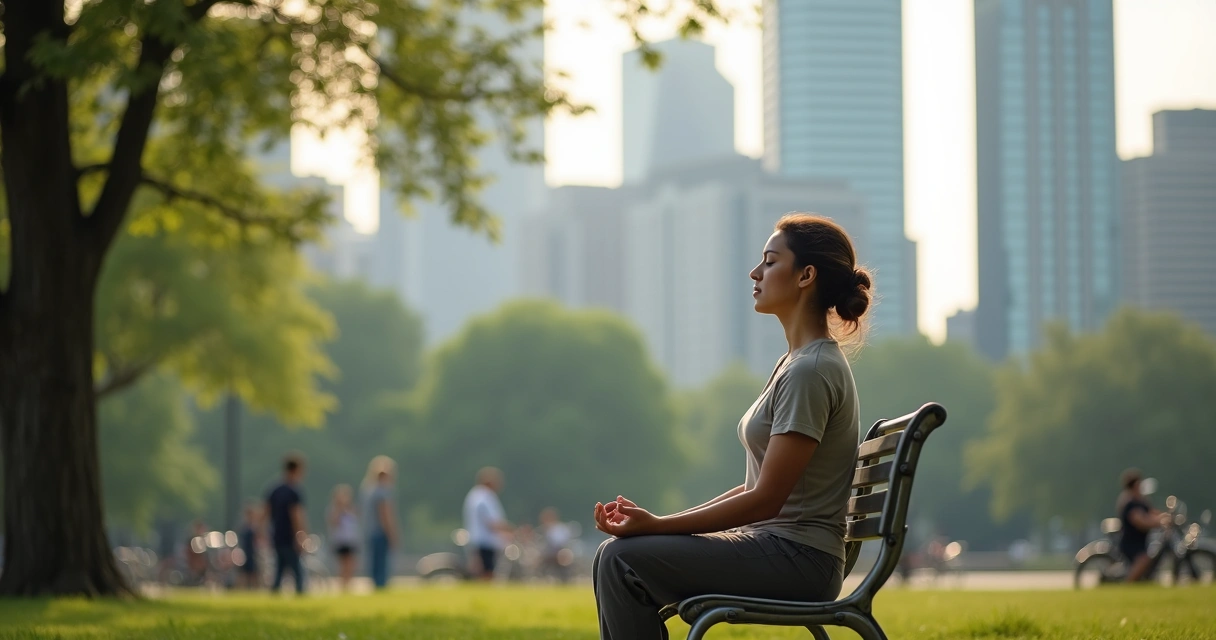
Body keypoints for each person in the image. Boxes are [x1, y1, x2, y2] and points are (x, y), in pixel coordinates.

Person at [591, 213, 870, 639]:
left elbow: (766, 500)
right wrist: (660, 522)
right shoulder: (796, 364)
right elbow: (756, 486)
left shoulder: (810, 371)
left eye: (771, 261)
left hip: (798, 560)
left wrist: (658, 528)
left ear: (805, 275)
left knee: (619, 559)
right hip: (781, 550)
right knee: (616, 555)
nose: (755, 272)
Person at [266, 453, 308, 594]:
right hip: (290, 536)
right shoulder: (293, 492)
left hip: (277, 534)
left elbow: (266, 512)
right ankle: (300, 594)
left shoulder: (274, 489)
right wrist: (301, 536)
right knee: (297, 571)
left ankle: (275, 592)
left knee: (279, 568)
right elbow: (296, 516)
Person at [463, 466, 512, 580]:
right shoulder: (485, 497)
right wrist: (510, 529)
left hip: (478, 539)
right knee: (487, 573)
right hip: (485, 541)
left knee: (480, 571)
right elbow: (492, 522)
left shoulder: (475, 494)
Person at [1117, 468, 1164, 582]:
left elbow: (1153, 512)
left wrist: (1166, 516)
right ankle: (1128, 584)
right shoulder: (1129, 503)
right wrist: (1158, 522)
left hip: (1142, 541)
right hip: (1131, 543)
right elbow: (1141, 521)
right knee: (1144, 559)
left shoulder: (1141, 500)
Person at [362, 456, 399, 590]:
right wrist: (392, 534)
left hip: (370, 532)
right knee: (382, 566)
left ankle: (377, 587)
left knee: (374, 564)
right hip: (381, 533)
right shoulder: (383, 492)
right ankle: (380, 587)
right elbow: (385, 516)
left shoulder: (368, 490)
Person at [327, 484, 360, 591]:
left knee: (351, 564)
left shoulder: (351, 509)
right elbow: (333, 523)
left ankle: (349, 584)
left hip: (351, 540)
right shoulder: (334, 510)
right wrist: (339, 509)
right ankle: (342, 585)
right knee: (342, 565)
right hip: (341, 541)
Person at [539, 507, 574, 583]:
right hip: (548, 553)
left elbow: (563, 542)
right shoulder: (543, 529)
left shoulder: (560, 528)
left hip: (560, 551)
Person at [236, 503, 263, 589]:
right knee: (244, 575)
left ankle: (255, 590)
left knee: (254, 574)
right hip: (246, 553)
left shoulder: (254, 527)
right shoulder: (245, 528)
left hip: (253, 554)